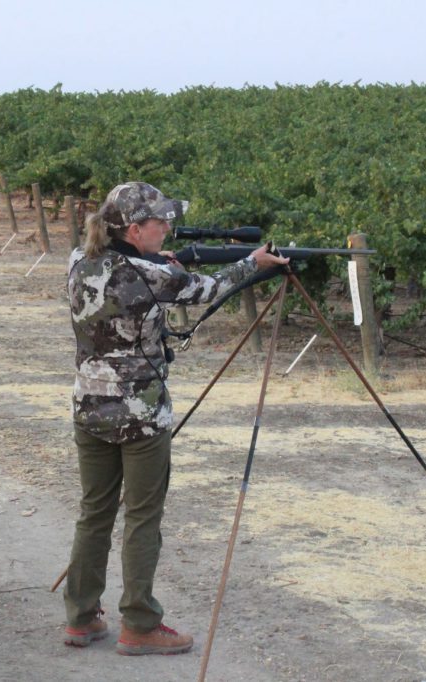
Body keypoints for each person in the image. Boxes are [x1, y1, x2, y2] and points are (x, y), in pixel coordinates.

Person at [62, 181, 288, 655]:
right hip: (141, 415)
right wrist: (256, 263)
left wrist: (168, 261)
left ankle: (81, 617)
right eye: (158, 221)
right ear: (134, 228)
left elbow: (133, 275)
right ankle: (140, 623)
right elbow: (206, 289)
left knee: (94, 514)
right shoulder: (151, 274)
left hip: (89, 406)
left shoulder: (78, 261)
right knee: (143, 517)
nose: (167, 227)